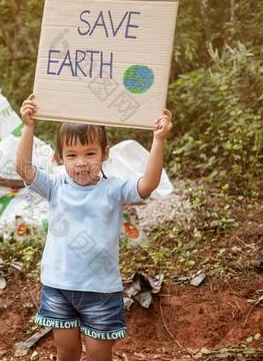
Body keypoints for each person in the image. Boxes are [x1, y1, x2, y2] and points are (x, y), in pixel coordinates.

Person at [15, 94, 173, 361]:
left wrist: (158, 140)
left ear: (105, 153)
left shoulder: (113, 189)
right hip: (59, 287)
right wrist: (28, 126)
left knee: (99, 354)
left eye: (90, 153)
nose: (81, 162)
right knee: (66, 351)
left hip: (100, 290)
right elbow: (23, 168)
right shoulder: (55, 186)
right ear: (59, 157)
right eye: (72, 155)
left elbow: (148, 184)